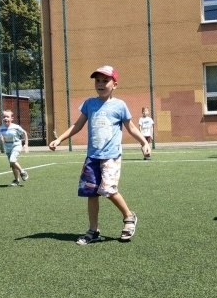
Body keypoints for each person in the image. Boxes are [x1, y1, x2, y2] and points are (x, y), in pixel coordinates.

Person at [48, 65, 151, 245]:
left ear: (115, 84)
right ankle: (93, 230)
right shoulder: (89, 104)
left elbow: (131, 127)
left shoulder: (120, 105)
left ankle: (129, 216)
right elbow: (77, 125)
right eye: (97, 80)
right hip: (92, 156)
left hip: (111, 156)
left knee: (108, 190)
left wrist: (144, 142)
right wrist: (60, 139)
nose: (101, 84)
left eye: (105, 81)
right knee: (91, 193)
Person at [0, 109, 30, 186]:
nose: (5, 118)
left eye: (7, 117)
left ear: (12, 118)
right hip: (8, 147)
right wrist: (1, 141)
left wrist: (26, 144)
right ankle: (16, 180)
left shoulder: (16, 127)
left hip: (16, 145)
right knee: (12, 165)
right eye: (4, 117)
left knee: (12, 160)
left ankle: (23, 172)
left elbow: (24, 133)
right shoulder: (1, 128)